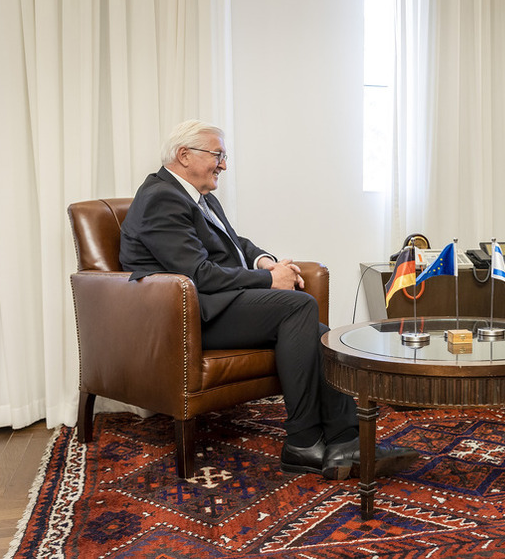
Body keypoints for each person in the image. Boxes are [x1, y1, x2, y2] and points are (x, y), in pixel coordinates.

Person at [120, 119, 417, 479]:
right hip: (186, 317)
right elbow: (197, 273)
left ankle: (345, 443)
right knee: (300, 306)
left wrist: (266, 261)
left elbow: (234, 244)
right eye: (218, 155)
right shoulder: (159, 197)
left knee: (319, 332)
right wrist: (269, 279)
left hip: (216, 305)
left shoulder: (199, 198)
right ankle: (303, 442)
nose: (224, 165)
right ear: (184, 155)